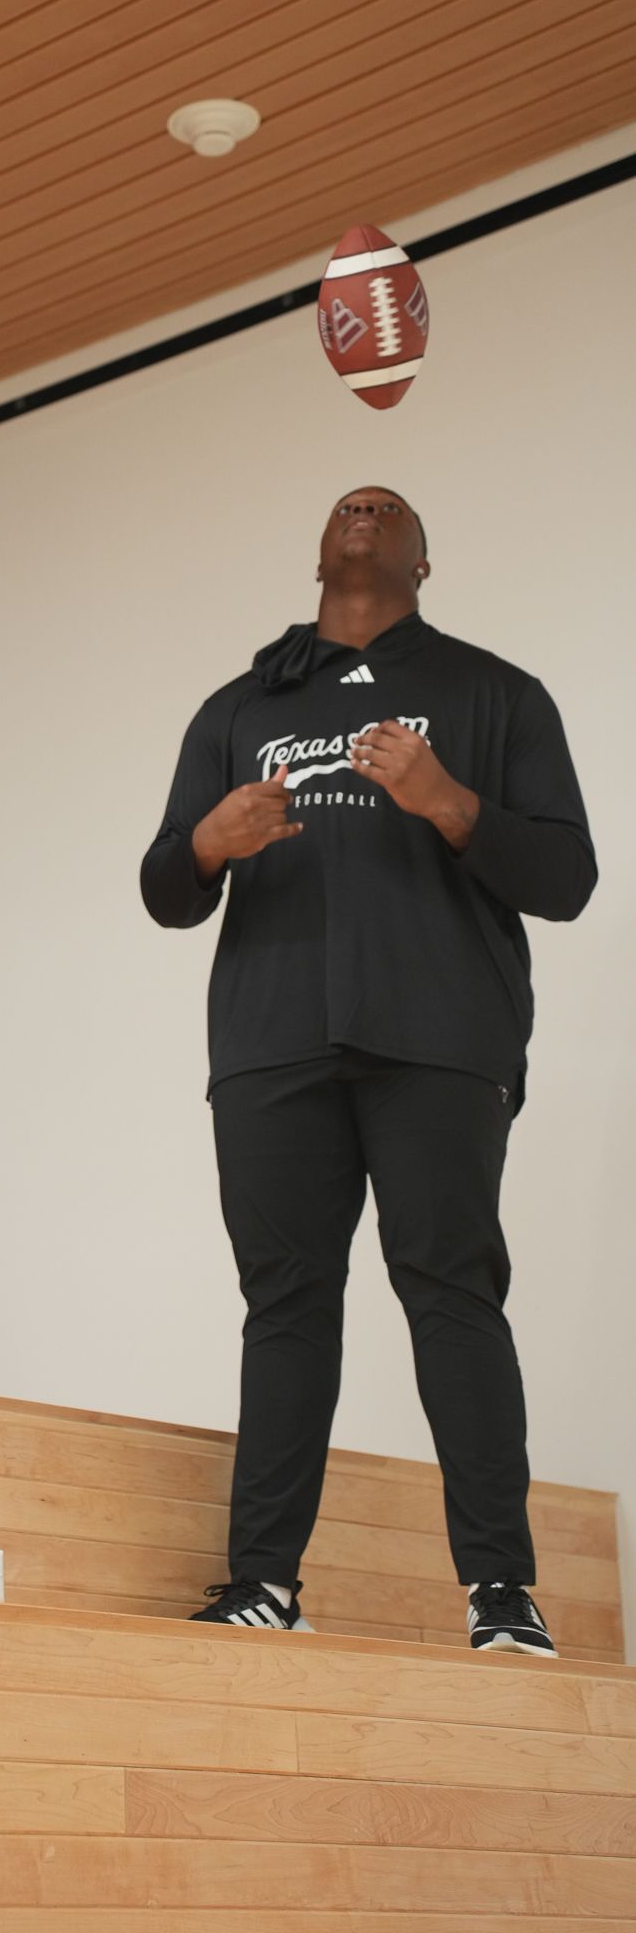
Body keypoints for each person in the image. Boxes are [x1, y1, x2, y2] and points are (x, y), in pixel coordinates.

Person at [141, 489, 595, 1657]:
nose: (365, 510)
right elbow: (162, 886)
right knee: (286, 1303)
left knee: (451, 1288)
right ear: (319, 552)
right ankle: (263, 1583)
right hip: (270, 1040)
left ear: (423, 560)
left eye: (389, 509)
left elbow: (567, 875)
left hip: (442, 1035)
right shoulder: (242, 706)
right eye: (348, 505)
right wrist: (209, 842)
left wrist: (447, 801)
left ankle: (502, 1591)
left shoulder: (496, 693)